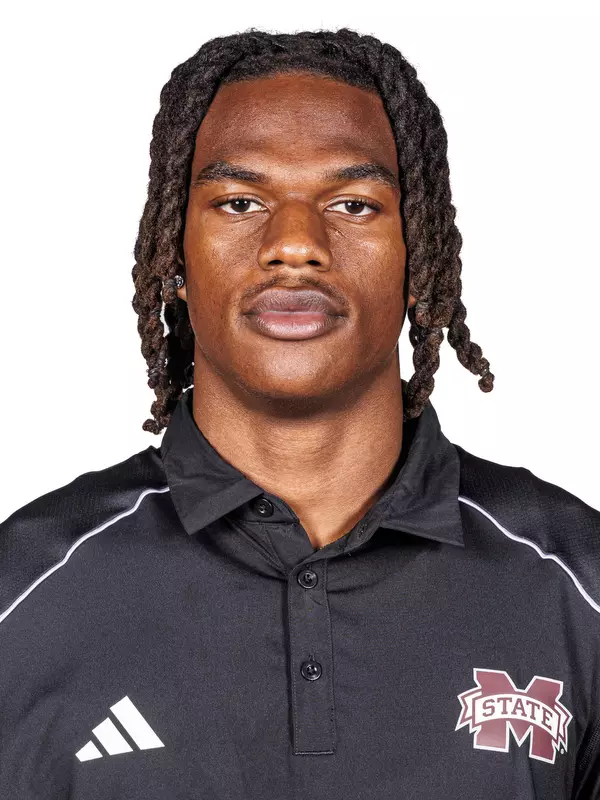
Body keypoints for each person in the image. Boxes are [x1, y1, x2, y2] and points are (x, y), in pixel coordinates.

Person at [0, 27, 598, 800]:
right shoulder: (24, 592)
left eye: (352, 204)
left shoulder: (576, 583)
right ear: (174, 257)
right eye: (240, 202)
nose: (294, 245)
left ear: (420, 255)